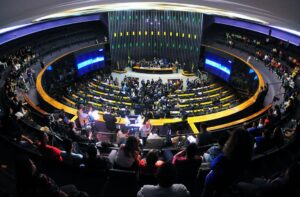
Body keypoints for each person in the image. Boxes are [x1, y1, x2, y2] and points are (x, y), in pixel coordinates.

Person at [202, 128, 254, 197]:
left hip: (212, 182)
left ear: (231, 142)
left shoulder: (223, 158)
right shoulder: (244, 158)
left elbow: (212, 165)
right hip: (227, 183)